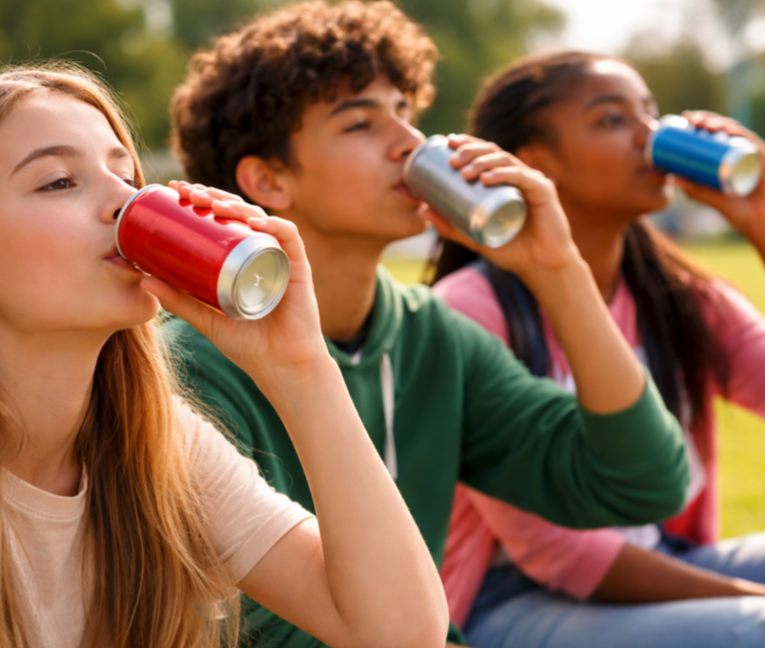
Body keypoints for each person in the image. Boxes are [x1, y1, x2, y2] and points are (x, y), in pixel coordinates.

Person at [0, 63, 452, 648]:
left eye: (126, 174)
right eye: (59, 181)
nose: (128, 202)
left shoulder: (158, 441)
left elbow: (395, 630)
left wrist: (301, 366)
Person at [165, 3, 691, 647]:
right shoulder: (190, 365)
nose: (410, 143)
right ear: (267, 180)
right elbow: (269, 629)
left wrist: (557, 269)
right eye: (360, 123)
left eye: (406, 112)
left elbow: (642, 483)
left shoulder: (433, 336)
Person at [430, 50, 765, 647]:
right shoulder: (472, 311)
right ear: (534, 165)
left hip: (660, 562)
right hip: (506, 603)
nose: (650, 137)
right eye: (613, 120)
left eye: (650, 113)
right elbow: (557, 551)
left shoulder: (675, 298)